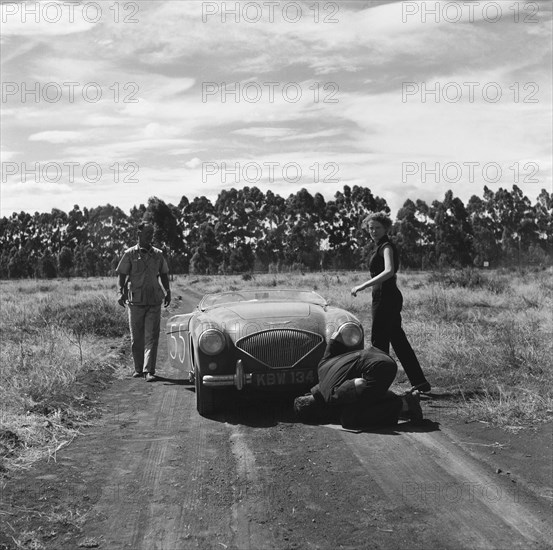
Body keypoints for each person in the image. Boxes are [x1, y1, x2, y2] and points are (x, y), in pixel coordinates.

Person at [351, 212, 431, 393]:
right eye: (370, 228)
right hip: (386, 297)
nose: (373, 231)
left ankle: (376, 387)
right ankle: (420, 383)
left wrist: (362, 285)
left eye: (377, 228)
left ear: (386, 228)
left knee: (379, 343)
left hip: (386, 298)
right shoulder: (379, 246)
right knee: (398, 341)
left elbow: (389, 271)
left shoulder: (386, 246)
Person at [294, 331, 423, 429]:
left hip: (382, 367)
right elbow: (337, 335)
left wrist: (350, 395)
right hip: (376, 352)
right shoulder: (321, 368)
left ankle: (405, 405)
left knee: (349, 418)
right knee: (364, 397)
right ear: (308, 395)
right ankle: (404, 398)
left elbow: (361, 384)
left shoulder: (332, 396)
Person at [116, 221, 171, 382]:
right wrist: (120, 292)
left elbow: (164, 274)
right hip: (135, 302)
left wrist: (168, 292)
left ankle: (149, 370)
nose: (150, 237)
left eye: (151, 234)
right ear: (139, 234)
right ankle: (138, 369)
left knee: (152, 336)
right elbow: (121, 276)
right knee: (136, 337)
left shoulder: (158, 254)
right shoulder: (129, 254)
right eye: (147, 234)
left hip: (154, 300)